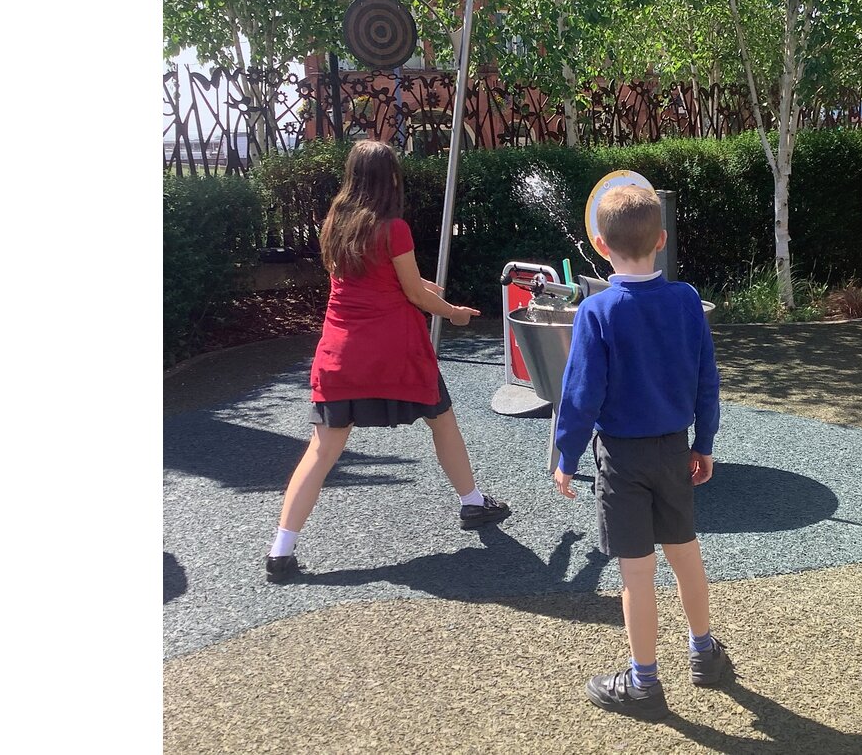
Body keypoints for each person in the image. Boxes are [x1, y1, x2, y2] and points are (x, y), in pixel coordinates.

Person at [265, 141, 510, 583]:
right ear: (390, 178)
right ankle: (472, 502)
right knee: (443, 422)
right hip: (396, 351)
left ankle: (281, 550)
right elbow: (412, 294)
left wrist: (425, 286)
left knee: (321, 451)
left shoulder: (335, 222)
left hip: (341, 353)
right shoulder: (393, 228)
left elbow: (382, 278)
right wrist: (453, 312)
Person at [551, 184, 729, 721]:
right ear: (662, 240)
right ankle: (704, 653)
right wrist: (704, 443)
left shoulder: (596, 311)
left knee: (637, 573)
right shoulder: (685, 300)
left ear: (600, 245)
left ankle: (644, 683)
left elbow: (581, 394)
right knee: (685, 553)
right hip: (675, 450)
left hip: (621, 459)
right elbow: (707, 380)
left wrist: (566, 456)